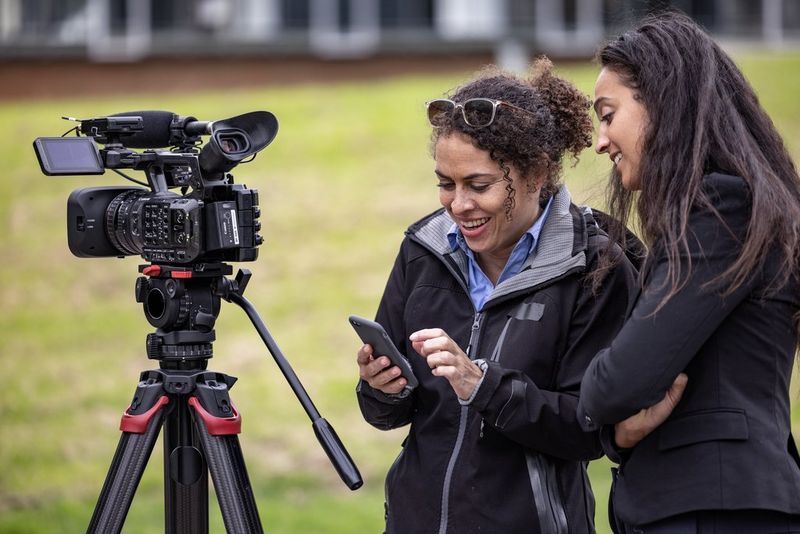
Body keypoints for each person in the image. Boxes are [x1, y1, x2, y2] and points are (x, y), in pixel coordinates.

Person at [355, 58, 639, 534]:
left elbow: (591, 428)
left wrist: (484, 386)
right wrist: (383, 388)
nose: (458, 205)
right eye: (446, 184)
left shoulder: (595, 264)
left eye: (478, 185)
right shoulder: (422, 248)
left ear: (536, 174)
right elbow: (390, 414)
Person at [577, 11, 800, 534]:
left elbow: (615, 386)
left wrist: (600, 399)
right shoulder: (724, 213)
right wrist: (618, 436)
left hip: (718, 510)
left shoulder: (722, 209)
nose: (600, 141)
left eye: (608, 115)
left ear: (661, 102)